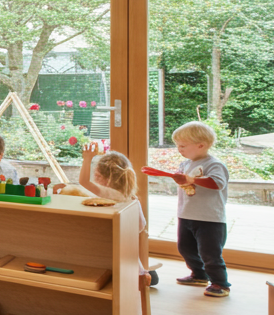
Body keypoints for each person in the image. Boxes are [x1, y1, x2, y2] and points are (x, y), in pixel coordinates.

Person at [161, 122, 231, 298]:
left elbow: (217, 183)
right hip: (186, 214)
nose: (179, 149)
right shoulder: (186, 164)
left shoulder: (214, 164)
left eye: (183, 146)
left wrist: (191, 179)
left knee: (210, 253)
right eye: (178, 145)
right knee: (185, 248)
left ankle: (220, 283)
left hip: (210, 218)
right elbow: (185, 182)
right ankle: (199, 275)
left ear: (201, 145)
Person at [77, 143, 155, 284]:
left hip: (110, 247)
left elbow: (83, 181)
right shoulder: (131, 197)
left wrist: (87, 159)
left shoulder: (108, 193)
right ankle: (145, 274)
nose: (95, 179)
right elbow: (141, 226)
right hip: (129, 249)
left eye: (97, 175)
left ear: (108, 179)